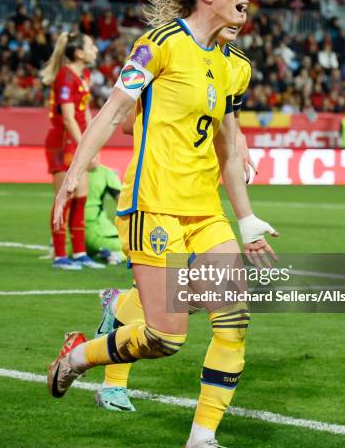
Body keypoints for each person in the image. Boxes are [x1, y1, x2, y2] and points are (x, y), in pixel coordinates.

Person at [47, 0, 278, 448]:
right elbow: (114, 110)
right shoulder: (160, 45)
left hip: (206, 211)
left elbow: (228, 144)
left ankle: (200, 440)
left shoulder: (236, 66)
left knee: (234, 319)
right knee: (165, 338)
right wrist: (75, 173)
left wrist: (246, 220)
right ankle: (80, 354)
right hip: (153, 204)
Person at [94, 25, 256, 412]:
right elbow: (131, 123)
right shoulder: (169, 47)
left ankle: (118, 307)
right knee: (169, 320)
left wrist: (239, 144)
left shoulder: (237, 66)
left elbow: (226, 121)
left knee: (198, 299)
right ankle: (112, 382)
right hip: (157, 196)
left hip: (201, 202)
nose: (242, 7)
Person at [42, 31, 105, 270]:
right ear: (79, 53)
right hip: (62, 143)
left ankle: (79, 253)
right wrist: (85, 148)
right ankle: (60, 255)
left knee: (81, 198)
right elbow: (68, 119)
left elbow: (85, 112)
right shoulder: (65, 78)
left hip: (78, 142)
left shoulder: (84, 74)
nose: (96, 50)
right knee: (64, 199)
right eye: (91, 46)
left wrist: (94, 144)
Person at [85, 158, 125, 264]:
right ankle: (118, 255)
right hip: (98, 234)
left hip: (74, 239)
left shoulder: (70, 172)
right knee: (139, 246)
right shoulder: (106, 173)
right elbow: (124, 205)